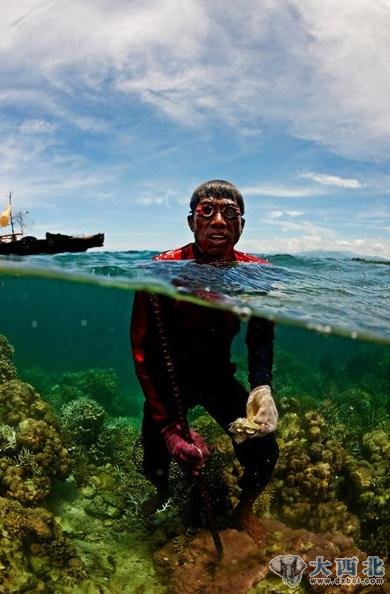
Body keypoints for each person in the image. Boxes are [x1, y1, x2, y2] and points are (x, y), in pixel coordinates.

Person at [130, 179, 279, 523]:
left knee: (265, 451)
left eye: (230, 213)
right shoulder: (161, 270)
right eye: (206, 211)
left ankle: (245, 508)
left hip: (217, 378)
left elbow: (261, 337)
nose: (218, 221)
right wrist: (168, 427)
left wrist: (262, 387)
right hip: (169, 381)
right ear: (191, 222)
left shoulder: (257, 273)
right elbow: (142, 350)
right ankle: (162, 491)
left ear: (242, 225)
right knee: (154, 459)